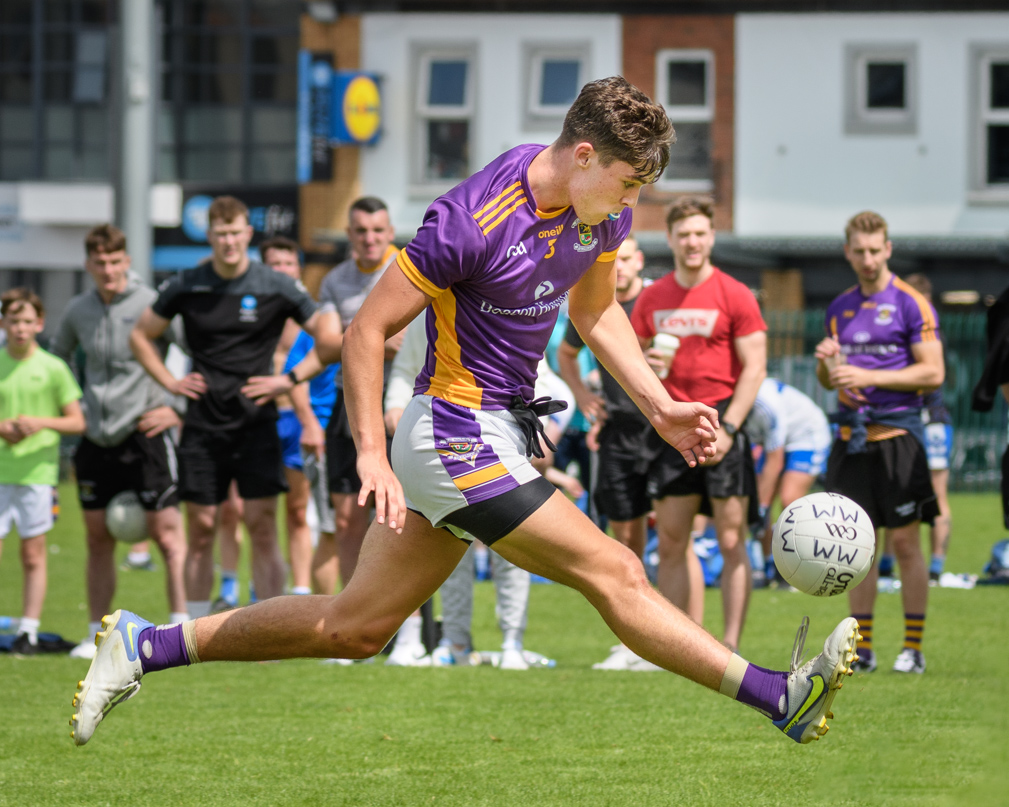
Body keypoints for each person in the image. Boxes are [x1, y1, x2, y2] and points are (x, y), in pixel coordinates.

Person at [71, 77, 859, 749]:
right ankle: (775, 696)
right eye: (627, 182)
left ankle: (146, 644)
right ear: (583, 155)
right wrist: (372, 454)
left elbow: (594, 314)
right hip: (449, 431)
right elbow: (366, 330)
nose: (634, 201)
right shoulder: (471, 218)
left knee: (355, 626)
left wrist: (657, 405)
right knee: (614, 568)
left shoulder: (601, 212)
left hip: (495, 431)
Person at [127, 195, 330, 619]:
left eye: (236, 232)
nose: (229, 241)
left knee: (260, 525)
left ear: (247, 233)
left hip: (256, 425)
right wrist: (170, 382)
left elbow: (329, 340)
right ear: (210, 235)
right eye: (221, 234)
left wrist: (288, 378)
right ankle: (190, 628)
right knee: (200, 529)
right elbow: (141, 336)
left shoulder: (275, 284)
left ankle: (271, 626)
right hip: (201, 426)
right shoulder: (188, 283)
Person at [630, 196, 767, 654]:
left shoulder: (736, 294)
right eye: (683, 234)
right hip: (671, 425)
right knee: (670, 541)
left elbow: (755, 367)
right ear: (670, 239)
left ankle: (728, 646)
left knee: (731, 539)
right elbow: (630, 362)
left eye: (699, 233)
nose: (692, 242)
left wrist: (729, 426)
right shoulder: (652, 297)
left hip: (721, 421)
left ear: (711, 237)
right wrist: (647, 364)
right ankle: (678, 647)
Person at [50, 225, 189, 658]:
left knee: (167, 536)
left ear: (126, 260)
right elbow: (55, 366)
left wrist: (177, 407)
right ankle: (97, 634)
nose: (108, 270)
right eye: (100, 262)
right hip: (95, 437)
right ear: (89, 264)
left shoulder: (151, 304)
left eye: (115, 261)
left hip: (145, 434)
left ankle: (183, 629)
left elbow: (199, 350)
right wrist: (73, 411)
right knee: (96, 538)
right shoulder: (77, 310)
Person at [814, 211, 943, 675]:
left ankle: (912, 649)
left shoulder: (911, 304)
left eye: (875, 250)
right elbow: (829, 380)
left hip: (897, 438)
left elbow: (933, 372)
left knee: (906, 544)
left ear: (888, 249)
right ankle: (862, 650)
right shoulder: (839, 307)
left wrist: (868, 373)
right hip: (851, 442)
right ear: (848, 252)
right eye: (859, 251)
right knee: (856, 549)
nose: (867, 259)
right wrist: (827, 364)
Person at [559, 234, 661, 671]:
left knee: (676, 537)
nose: (621, 264)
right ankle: (633, 640)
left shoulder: (659, 303)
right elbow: (566, 354)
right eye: (614, 258)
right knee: (625, 536)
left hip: (661, 429)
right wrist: (582, 395)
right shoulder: (593, 300)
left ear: (640, 261)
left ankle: (673, 634)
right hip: (618, 431)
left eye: (627, 257)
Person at [312, 197, 403, 589]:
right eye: (361, 231)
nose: (370, 239)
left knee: (400, 518)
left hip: (400, 402)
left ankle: (407, 628)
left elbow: (410, 343)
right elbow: (323, 345)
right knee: (348, 518)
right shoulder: (335, 280)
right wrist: (373, 337)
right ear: (349, 234)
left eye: (378, 231)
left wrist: (352, 334)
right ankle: (351, 620)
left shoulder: (408, 269)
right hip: (346, 404)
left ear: (390, 232)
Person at [0, 288, 85, 654]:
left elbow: (77, 421)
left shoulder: (53, 367)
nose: (20, 328)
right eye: (13, 320)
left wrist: (40, 423)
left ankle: (29, 630)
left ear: (40, 323)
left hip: (37, 475)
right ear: (3, 323)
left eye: (27, 321)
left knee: (33, 554)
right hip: (1, 473)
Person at [261, 235, 335, 598]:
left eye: (288, 264)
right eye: (274, 265)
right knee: (248, 513)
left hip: (305, 422)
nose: (283, 271)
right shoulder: (250, 313)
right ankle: (247, 582)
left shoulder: (314, 318)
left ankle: (304, 588)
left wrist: (308, 422)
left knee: (304, 509)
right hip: (256, 421)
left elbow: (304, 370)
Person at [886, 273, 952, 585]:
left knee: (936, 492)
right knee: (890, 490)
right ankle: (890, 563)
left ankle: (936, 564)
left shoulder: (922, 328)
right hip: (916, 419)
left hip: (929, 417)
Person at [744, 377, 832, 586]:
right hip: (774, 443)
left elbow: (775, 461)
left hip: (806, 436)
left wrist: (762, 507)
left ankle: (793, 569)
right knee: (755, 504)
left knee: (789, 501)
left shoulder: (766, 404)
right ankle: (769, 566)